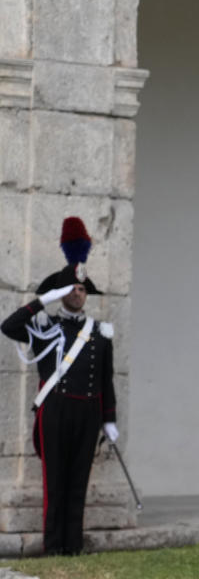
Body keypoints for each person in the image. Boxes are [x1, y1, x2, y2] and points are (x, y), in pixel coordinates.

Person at [1, 217, 118, 556]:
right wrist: (43, 300)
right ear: (62, 293)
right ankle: (53, 546)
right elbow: (8, 326)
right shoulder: (44, 326)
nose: (78, 294)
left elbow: (107, 378)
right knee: (55, 482)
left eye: (82, 290)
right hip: (55, 409)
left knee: (78, 480)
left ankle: (73, 546)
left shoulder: (100, 332)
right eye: (71, 290)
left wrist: (109, 419)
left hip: (88, 412)